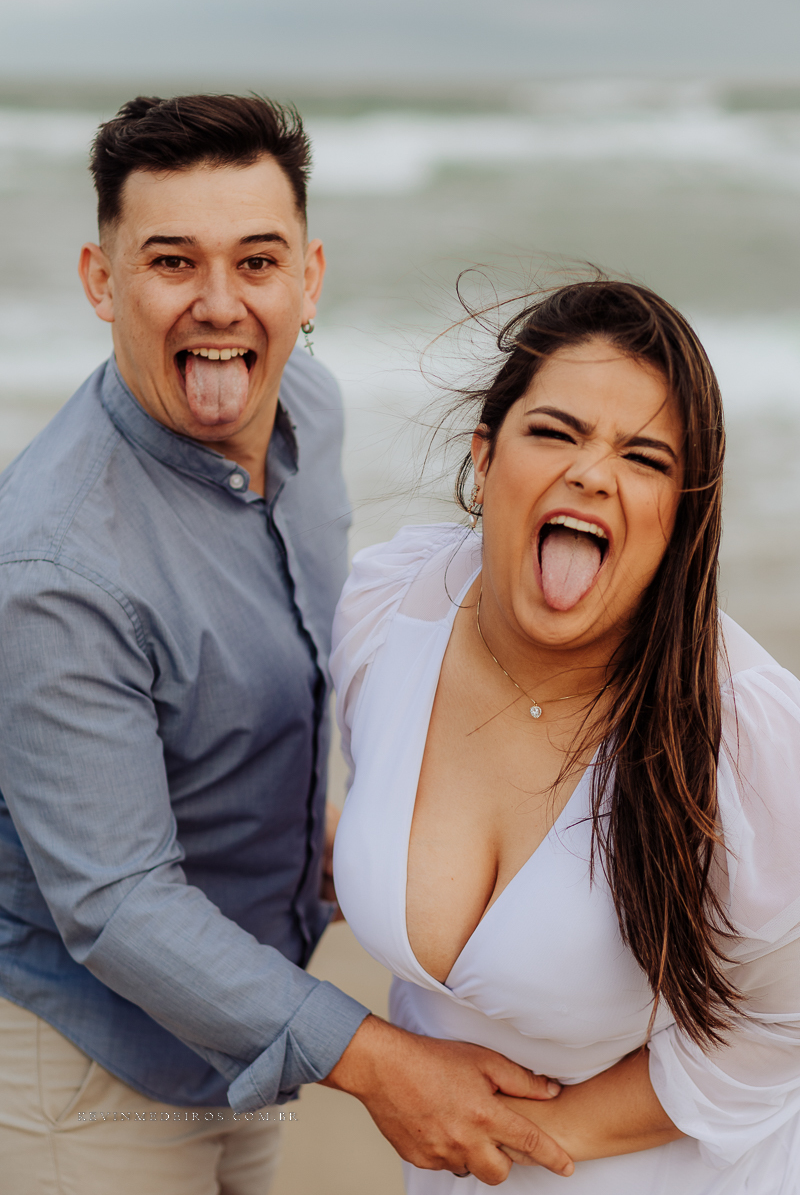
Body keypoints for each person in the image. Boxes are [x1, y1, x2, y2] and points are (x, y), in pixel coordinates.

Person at [0, 95, 570, 1194]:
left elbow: (276, 686)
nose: (220, 305)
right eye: (172, 261)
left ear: (308, 279)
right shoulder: (51, 568)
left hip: (246, 1038)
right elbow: (116, 904)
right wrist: (381, 1060)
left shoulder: (309, 406)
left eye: (255, 262)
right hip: (83, 1077)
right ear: (99, 280)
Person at [331, 279, 800, 1192]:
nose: (592, 472)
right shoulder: (386, 614)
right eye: (555, 432)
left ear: (679, 521)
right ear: (483, 457)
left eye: (646, 457)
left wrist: (496, 1133)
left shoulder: (744, 737)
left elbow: (778, 1032)